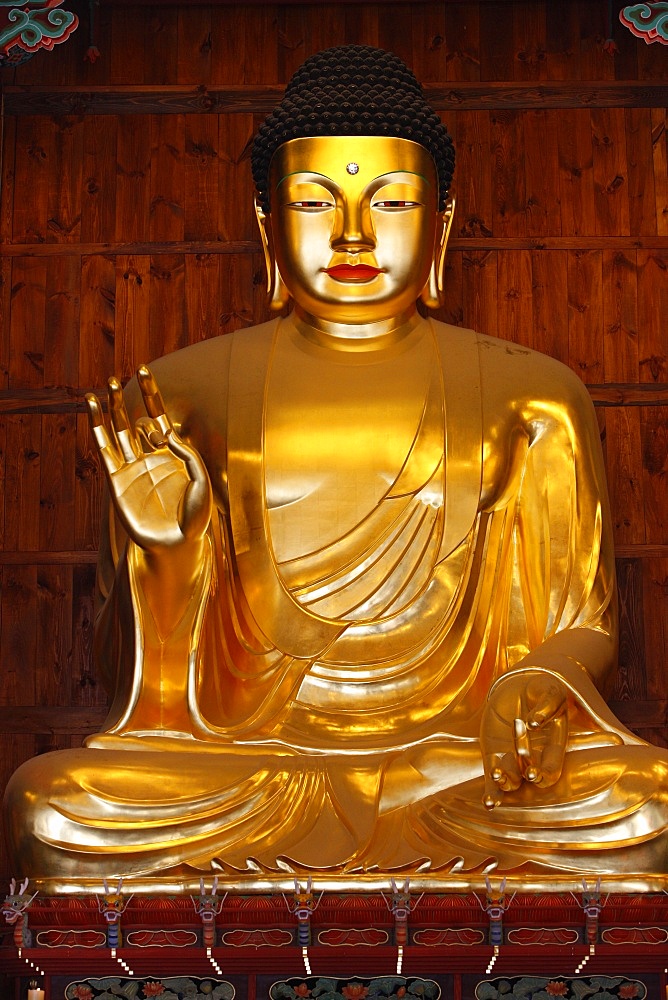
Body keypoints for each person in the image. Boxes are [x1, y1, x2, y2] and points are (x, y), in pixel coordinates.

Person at [5, 46, 667, 887]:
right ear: (265, 228)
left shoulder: (532, 394)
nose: (353, 233)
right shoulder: (180, 394)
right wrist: (168, 560)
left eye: (390, 201)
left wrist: (537, 680)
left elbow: (584, 623)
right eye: (315, 202)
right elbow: (146, 702)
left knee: (649, 807)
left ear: (444, 225)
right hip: (257, 769)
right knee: (53, 808)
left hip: (459, 763)